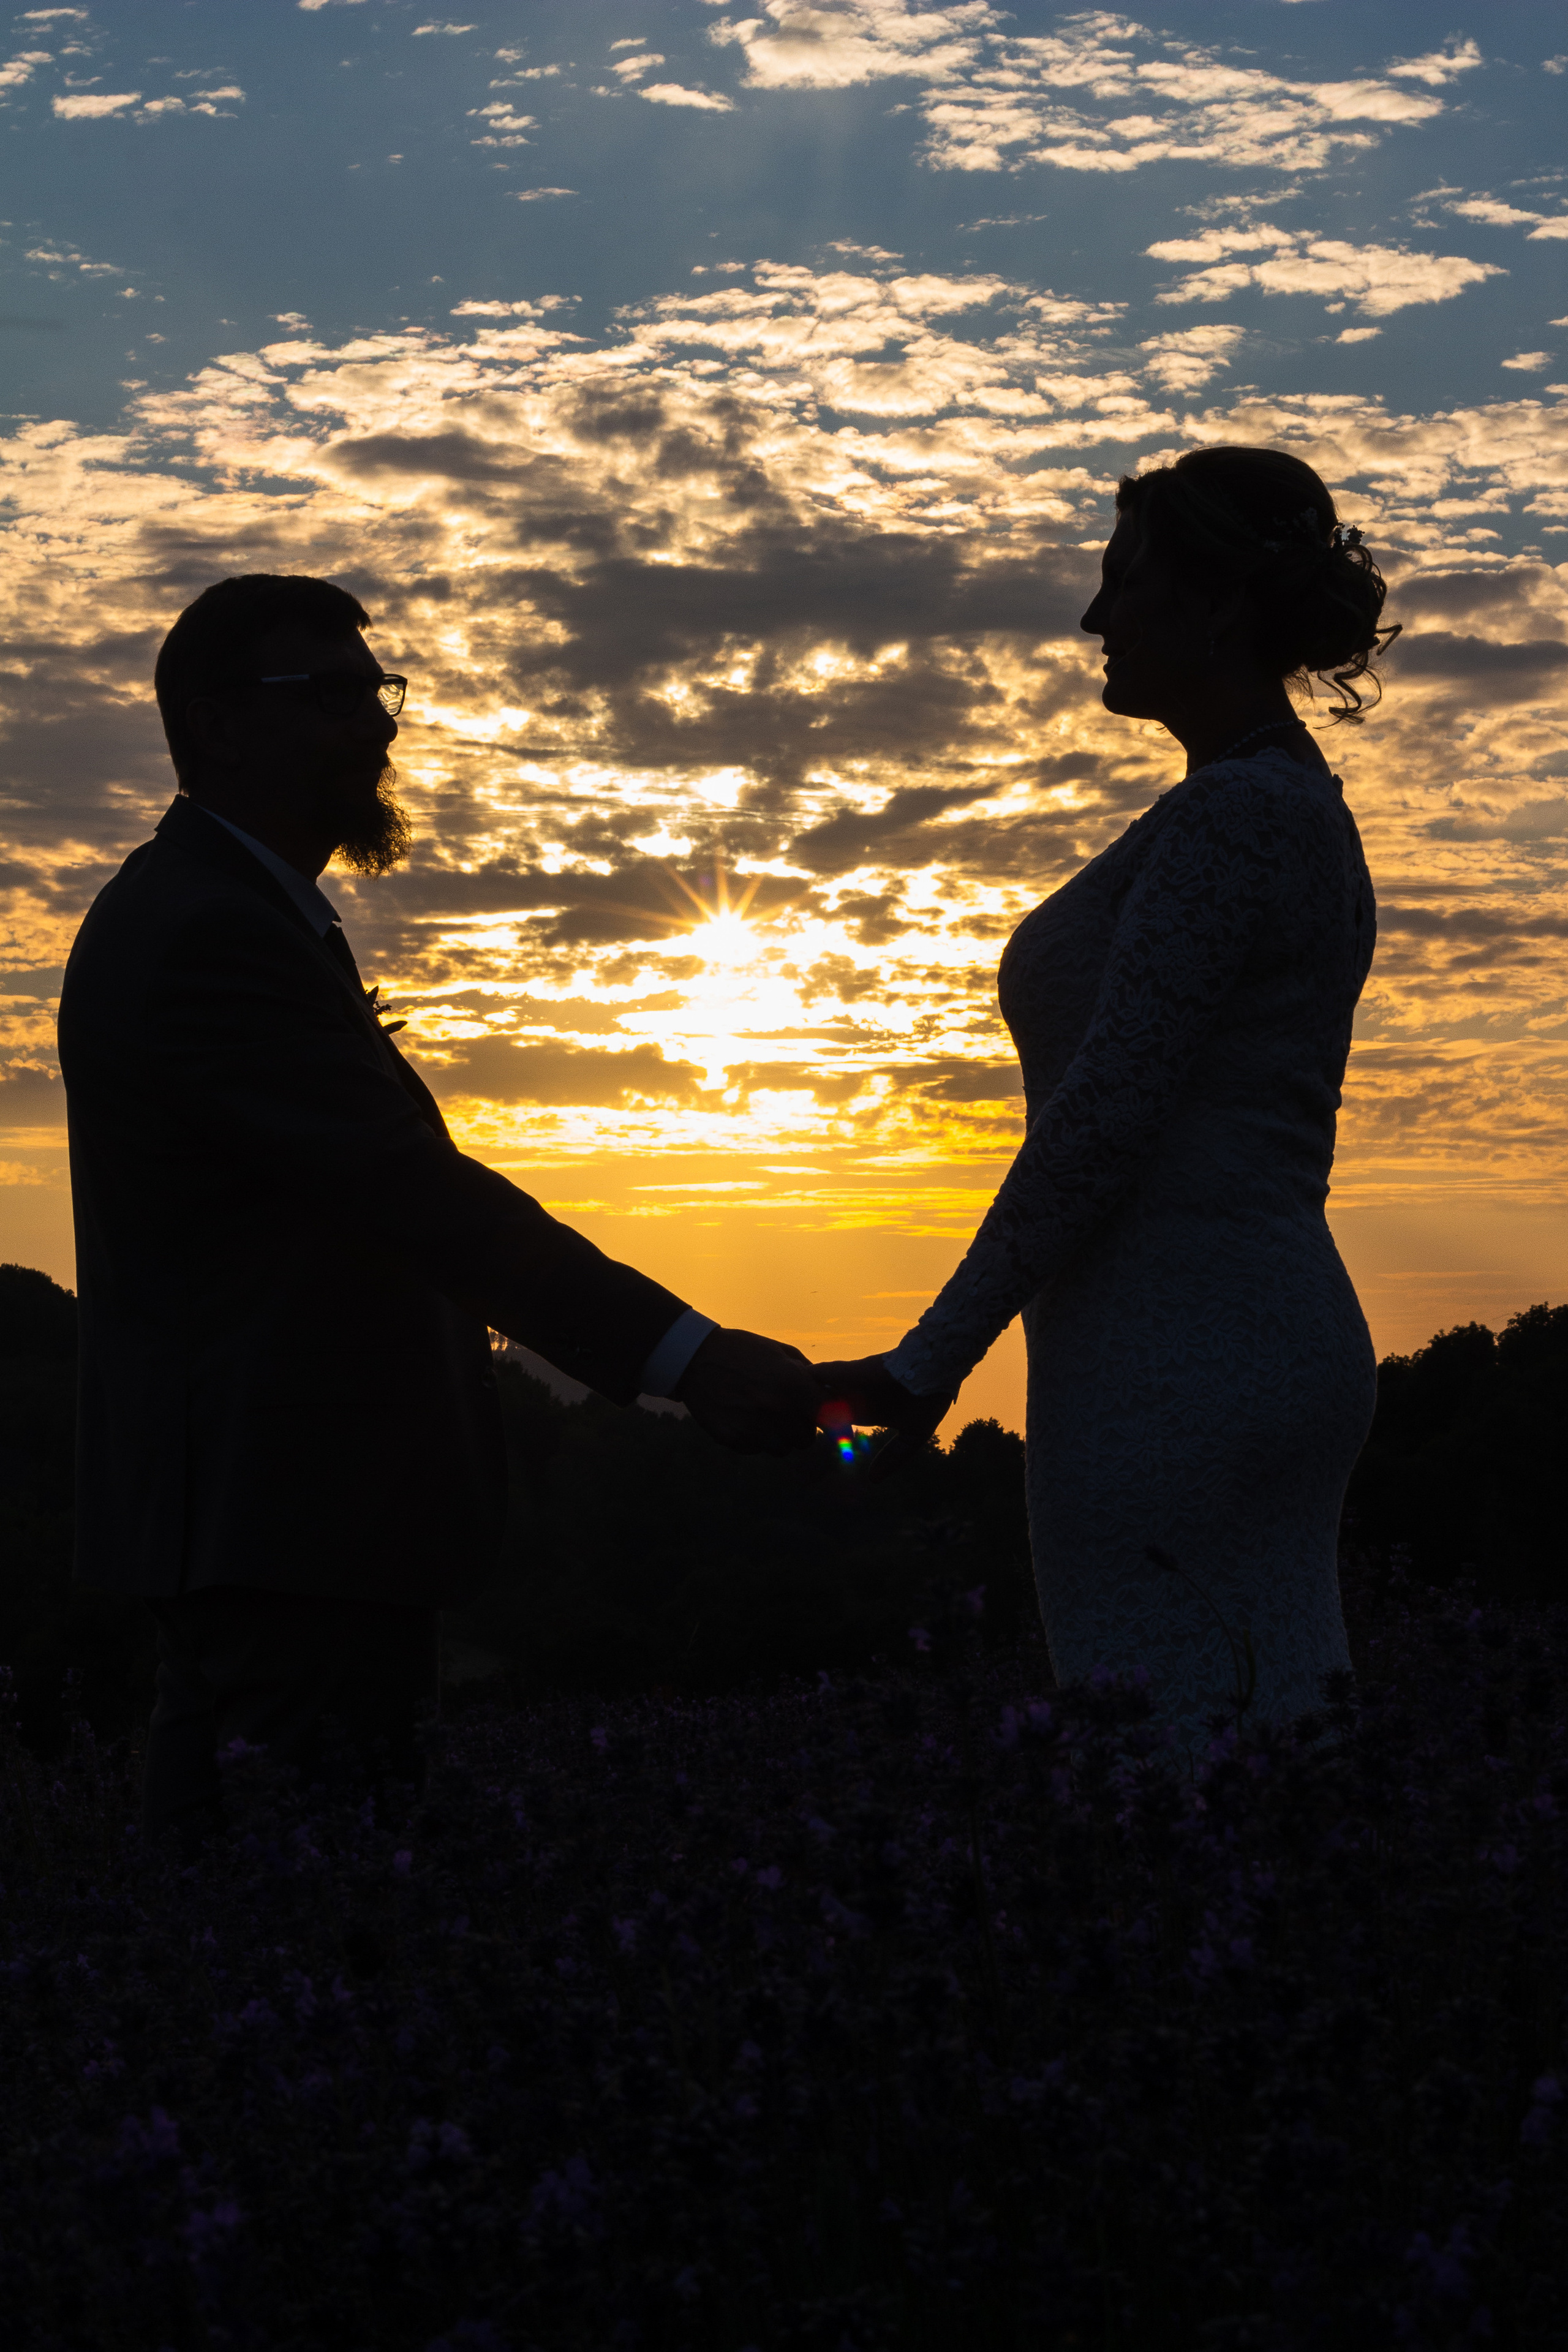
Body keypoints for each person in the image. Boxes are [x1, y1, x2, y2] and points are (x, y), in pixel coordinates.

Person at [58, 573, 820, 1850]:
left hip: (278, 1533)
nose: (379, 723)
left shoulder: (241, 920)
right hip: (287, 1534)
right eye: (332, 693)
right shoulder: (206, 934)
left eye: (380, 690)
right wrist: (688, 1359)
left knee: (229, 1938)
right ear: (218, 721)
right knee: (300, 1944)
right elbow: (415, 1199)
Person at [818, 447, 1391, 1749]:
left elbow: (1101, 1121)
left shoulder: (1235, 820)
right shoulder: (1267, 809)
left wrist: (923, 1366)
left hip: (1177, 1357)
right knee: (1260, 1757)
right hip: (1222, 1335)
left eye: (1121, 581)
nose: (1093, 619)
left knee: (1174, 1774)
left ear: (1217, 606)